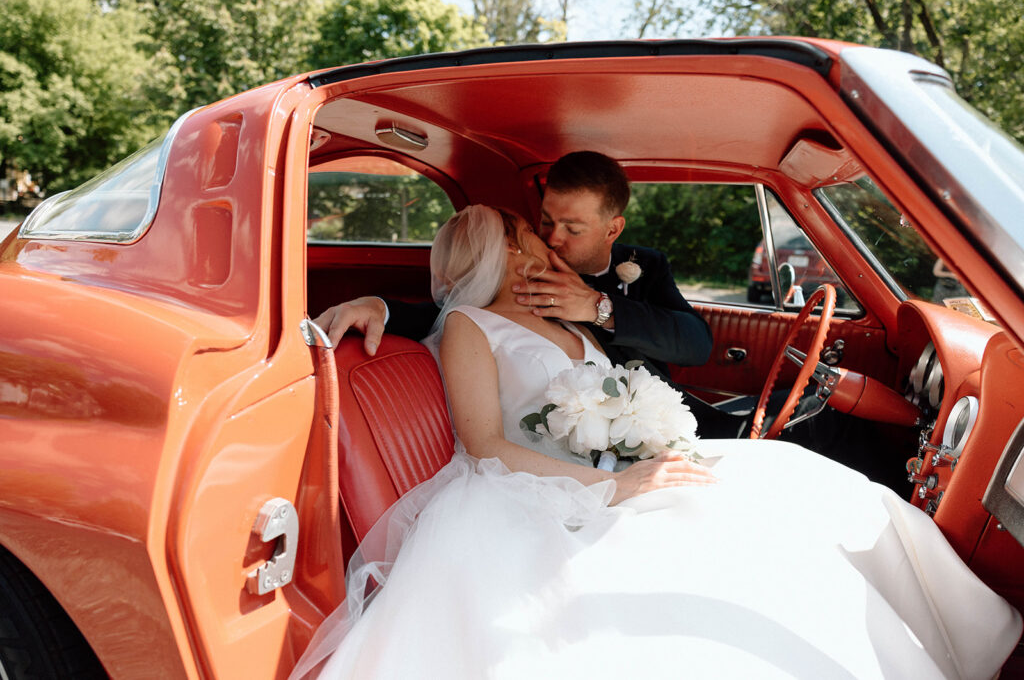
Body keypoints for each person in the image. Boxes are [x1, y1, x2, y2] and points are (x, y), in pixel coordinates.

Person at [291, 205, 1021, 679]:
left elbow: (687, 341)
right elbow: (484, 445)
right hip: (548, 490)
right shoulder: (468, 328)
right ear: (507, 259)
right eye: (530, 237)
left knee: (798, 475)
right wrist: (620, 485)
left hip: (615, 463)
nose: (548, 244)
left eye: (554, 231)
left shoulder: (574, 317)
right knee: (733, 525)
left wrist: (642, 453)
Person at [315, 151, 747, 437]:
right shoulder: (513, 289)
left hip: (653, 414)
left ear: (612, 229)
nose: (554, 239)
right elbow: (455, 312)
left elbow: (696, 345)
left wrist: (600, 309)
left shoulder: (647, 265)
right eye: (544, 222)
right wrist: (379, 306)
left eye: (573, 229)